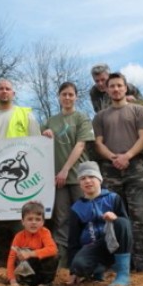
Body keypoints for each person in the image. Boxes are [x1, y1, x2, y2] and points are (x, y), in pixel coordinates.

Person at [0, 78, 41, 266]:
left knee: (19, 218)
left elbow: (37, 144)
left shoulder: (26, 115)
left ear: (13, 93)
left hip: (19, 176)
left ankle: (24, 259)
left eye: (8, 89)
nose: (4, 91)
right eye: (0, 89)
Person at [93, 72, 143, 272]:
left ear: (126, 88)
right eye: (112, 86)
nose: (116, 89)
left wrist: (127, 156)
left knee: (139, 214)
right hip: (110, 169)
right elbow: (98, 143)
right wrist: (113, 158)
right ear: (107, 90)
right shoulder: (100, 116)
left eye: (119, 85)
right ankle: (114, 261)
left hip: (134, 166)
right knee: (111, 216)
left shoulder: (139, 111)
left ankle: (142, 262)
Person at [42, 82, 95, 267]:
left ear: (76, 97)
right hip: (58, 180)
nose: (67, 98)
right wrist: (45, 133)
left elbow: (80, 145)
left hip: (79, 177)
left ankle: (88, 258)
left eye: (71, 94)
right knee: (61, 220)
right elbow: (40, 144)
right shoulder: (51, 120)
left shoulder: (81, 118)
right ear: (58, 96)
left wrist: (65, 169)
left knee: (86, 217)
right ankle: (60, 262)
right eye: (64, 94)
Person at [67, 161, 133, 286]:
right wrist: (72, 270)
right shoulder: (76, 208)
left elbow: (125, 227)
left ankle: (123, 274)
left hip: (114, 244)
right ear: (79, 184)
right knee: (78, 265)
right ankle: (98, 269)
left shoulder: (113, 198)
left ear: (100, 179)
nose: (87, 181)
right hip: (93, 248)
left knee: (122, 222)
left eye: (91, 177)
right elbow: (73, 241)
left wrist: (114, 218)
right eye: (83, 178)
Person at [7, 201, 59, 286]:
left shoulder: (45, 232)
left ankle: (46, 283)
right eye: (30, 219)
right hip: (25, 272)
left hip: (41, 271)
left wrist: (31, 254)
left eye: (38, 219)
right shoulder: (18, 237)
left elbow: (53, 249)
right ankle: (25, 282)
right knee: (19, 255)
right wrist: (12, 279)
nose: (34, 222)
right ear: (23, 221)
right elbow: (11, 258)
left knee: (54, 256)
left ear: (43, 222)